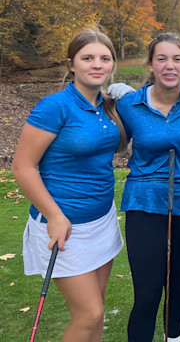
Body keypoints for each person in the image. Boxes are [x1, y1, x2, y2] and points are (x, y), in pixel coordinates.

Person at [13, 27, 126, 341]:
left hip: (102, 222)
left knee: (96, 313)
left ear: (113, 65)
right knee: (89, 315)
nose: (97, 64)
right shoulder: (55, 107)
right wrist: (54, 215)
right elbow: (22, 166)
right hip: (63, 226)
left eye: (105, 58)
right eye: (87, 58)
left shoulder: (109, 106)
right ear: (71, 64)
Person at [116, 32, 180, 342]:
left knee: (176, 283)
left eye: (176, 59)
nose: (169, 66)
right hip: (143, 201)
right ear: (150, 64)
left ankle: (174, 338)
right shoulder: (130, 104)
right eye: (161, 59)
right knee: (146, 291)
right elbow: (116, 145)